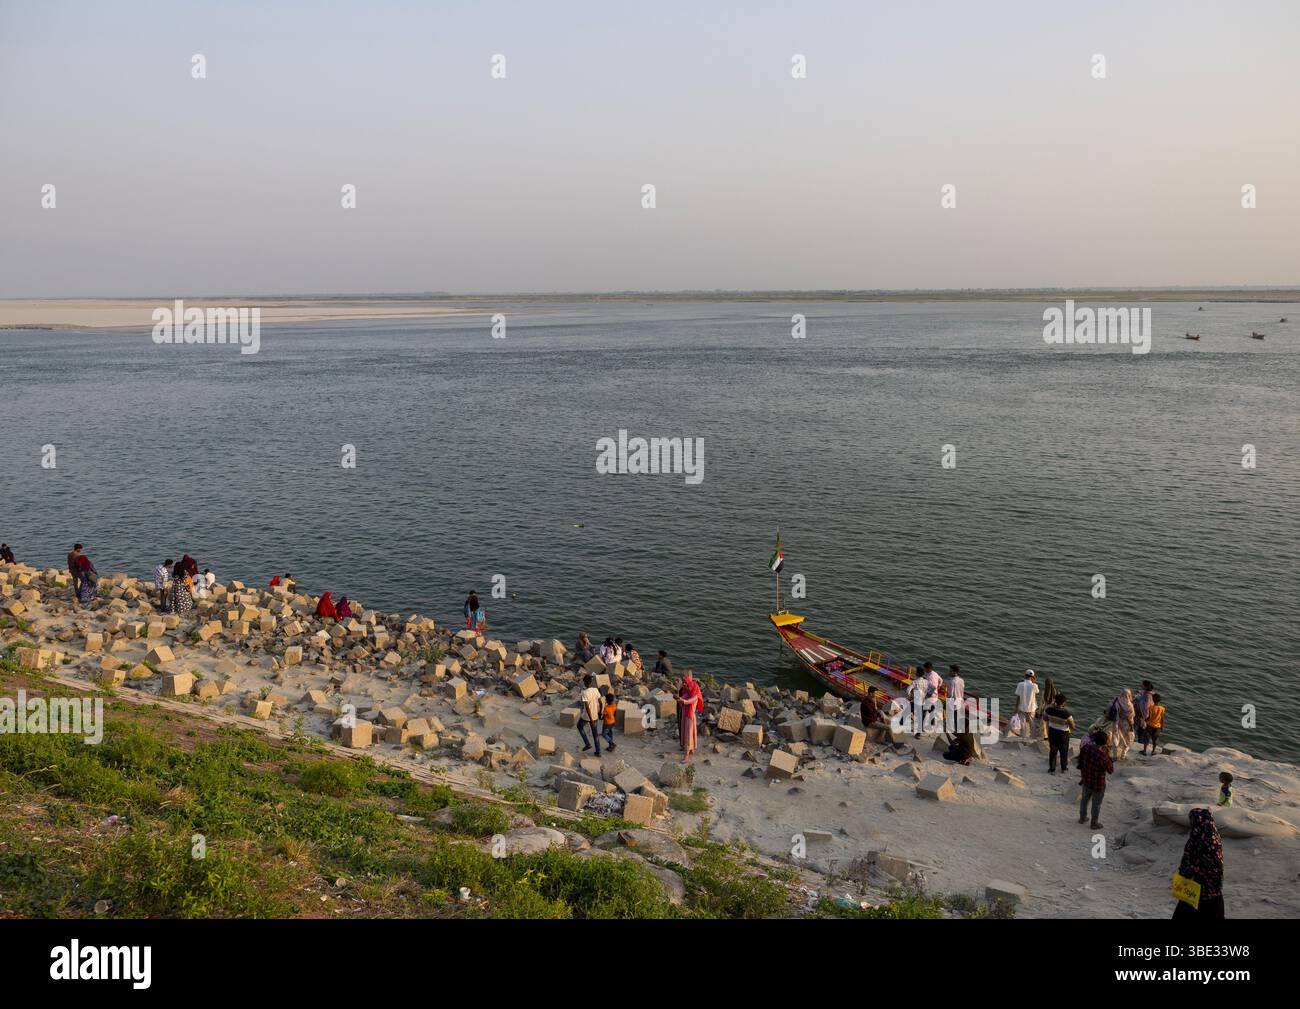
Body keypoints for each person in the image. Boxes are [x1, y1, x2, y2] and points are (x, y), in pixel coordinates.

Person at [1172, 808, 1225, 919]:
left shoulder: (1197, 841)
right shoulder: (1216, 839)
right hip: (1215, 894)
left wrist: (1182, 877)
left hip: (1195, 893)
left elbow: (1188, 866)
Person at [1077, 729, 1114, 829]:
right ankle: (1094, 823)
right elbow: (1110, 770)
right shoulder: (1103, 756)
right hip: (1098, 783)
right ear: (1105, 743)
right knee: (1096, 804)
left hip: (1086, 779)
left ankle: (1082, 817)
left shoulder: (1085, 748)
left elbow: (1080, 762)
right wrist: (1109, 755)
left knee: (1084, 800)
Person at [1043, 692, 1076, 773]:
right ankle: (1063, 768)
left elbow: (1045, 719)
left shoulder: (1049, 710)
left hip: (1052, 732)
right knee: (1064, 751)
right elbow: (1073, 726)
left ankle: (1052, 769)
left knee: (1053, 751)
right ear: (1064, 703)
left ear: (1055, 701)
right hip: (1063, 734)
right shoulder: (1067, 714)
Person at [677, 671, 703, 761]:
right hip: (685, 715)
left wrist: (682, 701)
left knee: (688, 733)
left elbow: (690, 701)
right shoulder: (687, 692)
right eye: (684, 683)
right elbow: (684, 696)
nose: (684, 685)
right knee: (686, 732)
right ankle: (690, 748)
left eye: (685, 683)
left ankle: (687, 753)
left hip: (690, 716)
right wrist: (679, 698)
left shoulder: (695, 692)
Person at [577, 674, 604, 756]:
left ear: (585, 683)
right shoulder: (595, 690)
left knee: (579, 726)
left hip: (587, 716)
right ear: (591, 682)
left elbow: (587, 707)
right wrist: (600, 713)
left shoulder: (584, 693)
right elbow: (601, 703)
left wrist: (591, 719)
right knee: (595, 733)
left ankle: (587, 743)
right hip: (595, 714)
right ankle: (598, 752)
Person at [1014, 669, 1039, 738]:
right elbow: (1037, 692)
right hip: (1032, 707)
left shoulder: (1020, 684)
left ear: (1025, 675)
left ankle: (1023, 737)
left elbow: (1018, 697)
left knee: (1022, 723)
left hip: (1022, 707)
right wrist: (1034, 681)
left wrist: (1016, 707)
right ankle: (1033, 736)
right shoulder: (1035, 685)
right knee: (1032, 723)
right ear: (1033, 677)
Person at [1134, 680, 1155, 746]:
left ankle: (1140, 745)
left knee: (1140, 732)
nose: (1141, 685)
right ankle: (1140, 744)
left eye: (1142, 685)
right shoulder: (1149, 694)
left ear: (1145, 687)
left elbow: (1145, 708)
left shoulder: (1147, 696)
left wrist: (1144, 718)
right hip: (1143, 717)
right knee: (1139, 731)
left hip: (1143, 717)